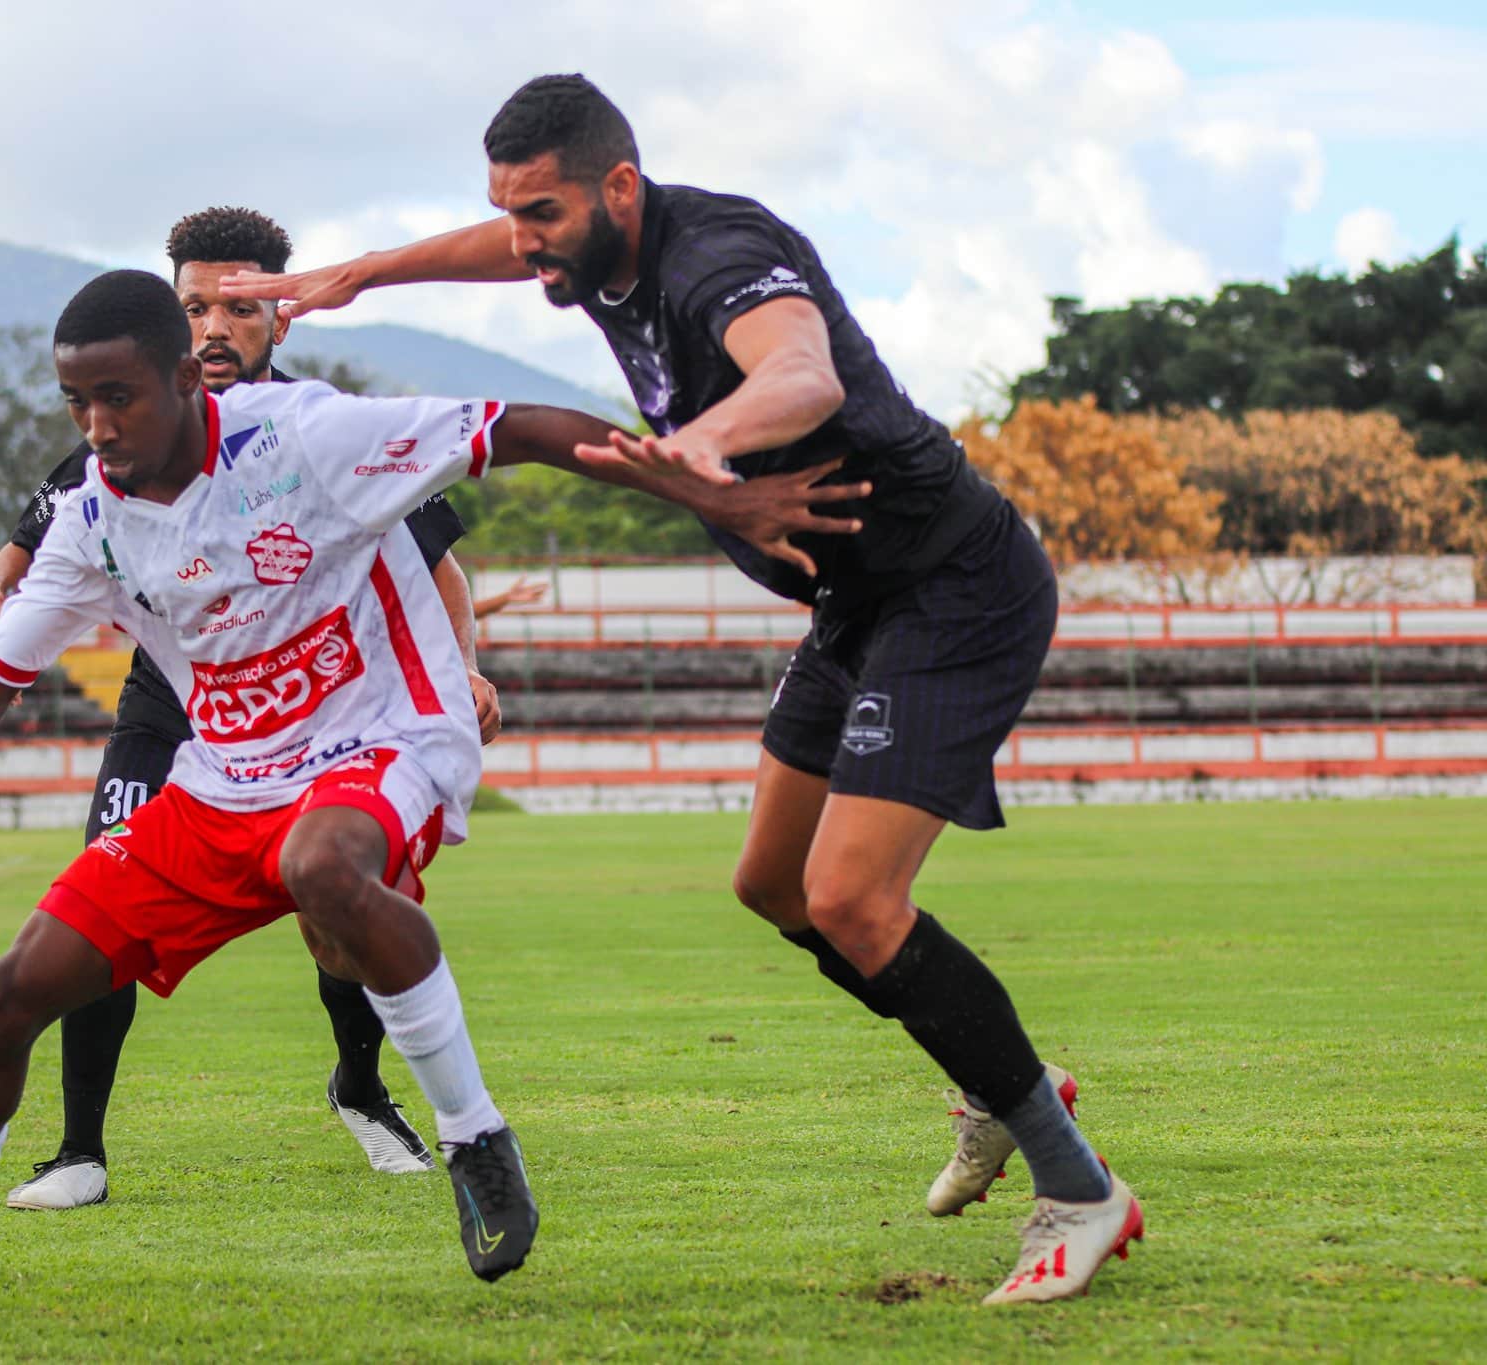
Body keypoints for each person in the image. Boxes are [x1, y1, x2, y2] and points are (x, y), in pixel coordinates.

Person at [224, 74, 1141, 1306]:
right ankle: (992, 1073)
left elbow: (803, 375)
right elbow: (502, 249)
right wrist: (365, 272)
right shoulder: (589, 249)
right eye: (510, 213)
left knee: (851, 896)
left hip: (952, 586)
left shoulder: (715, 253)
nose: (526, 242)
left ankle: (1077, 1184)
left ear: (617, 186)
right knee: (771, 885)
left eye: (542, 213)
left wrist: (712, 440)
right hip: (851, 605)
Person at [0, 267, 828, 1287]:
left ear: (181, 379)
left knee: (323, 867)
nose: (96, 425)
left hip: (386, 737)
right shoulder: (90, 521)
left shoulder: (302, 438)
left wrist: (709, 490)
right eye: (76, 402)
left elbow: (515, 427)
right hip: (221, 784)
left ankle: (475, 1140)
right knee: (4, 996)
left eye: (116, 396)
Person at [0, 207, 488, 1209]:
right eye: (195, 305)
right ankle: (79, 1148)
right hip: (170, 715)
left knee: (335, 908)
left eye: (240, 307)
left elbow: (442, 567)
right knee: (95, 897)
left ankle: (361, 1086)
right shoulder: (117, 432)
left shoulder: (323, 428)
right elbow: (24, 543)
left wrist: (465, 668)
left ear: (279, 319)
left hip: (313, 721)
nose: (215, 328)